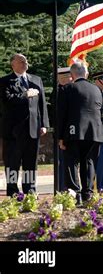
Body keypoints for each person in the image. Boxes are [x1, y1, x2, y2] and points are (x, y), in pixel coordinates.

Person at [0, 54, 49, 196]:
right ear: (13, 64)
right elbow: (6, 100)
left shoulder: (36, 80)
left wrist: (44, 124)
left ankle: (29, 190)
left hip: (32, 129)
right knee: (12, 164)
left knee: (30, 163)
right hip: (13, 131)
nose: (25, 63)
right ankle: (13, 191)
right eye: (21, 61)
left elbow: (42, 105)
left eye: (26, 61)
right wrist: (25, 94)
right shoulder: (5, 81)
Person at [57, 62, 103, 204]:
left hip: (74, 131)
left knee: (71, 162)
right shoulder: (96, 89)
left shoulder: (67, 88)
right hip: (94, 131)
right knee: (89, 162)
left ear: (72, 75)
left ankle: (74, 193)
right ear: (86, 73)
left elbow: (61, 114)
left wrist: (60, 137)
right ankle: (87, 193)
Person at [54, 67, 72, 191]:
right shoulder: (59, 92)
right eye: (68, 77)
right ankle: (62, 187)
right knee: (63, 162)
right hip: (63, 133)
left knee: (69, 162)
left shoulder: (68, 90)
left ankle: (66, 187)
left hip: (70, 132)